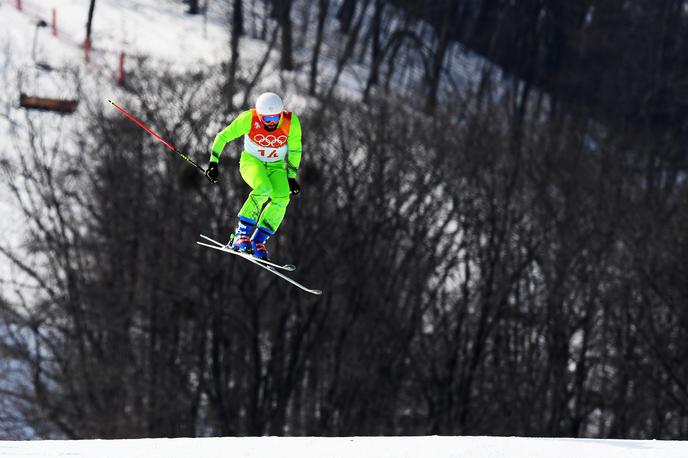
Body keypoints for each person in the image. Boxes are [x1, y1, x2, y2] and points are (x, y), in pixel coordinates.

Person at [205, 92, 302, 261]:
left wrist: (291, 177)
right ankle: (240, 235)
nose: (271, 123)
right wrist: (213, 162)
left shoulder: (290, 122)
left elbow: (295, 150)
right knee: (264, 188)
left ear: (281, 114)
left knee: (282, 197)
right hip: (252, 162)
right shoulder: (250, 119)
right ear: (260, 115)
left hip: (276, 166)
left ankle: (257, 240)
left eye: (274, 118)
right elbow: (223, 136)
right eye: (266, 119)